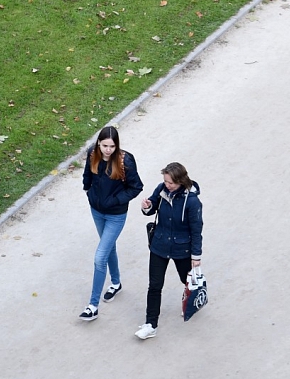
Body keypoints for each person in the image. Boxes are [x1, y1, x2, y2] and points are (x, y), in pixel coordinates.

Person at [80, 126, 143, 321]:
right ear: (98, 143)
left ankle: (93, 305)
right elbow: (87, 177)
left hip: (115, 215)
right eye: (105, 145)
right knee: (108, 248)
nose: (108, 150)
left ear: (117, 146)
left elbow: (136, 187)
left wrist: (114, 200)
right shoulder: (92, 153)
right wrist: (88, 191)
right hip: (97, 211)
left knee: (100, 257)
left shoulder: (126, 161)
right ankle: (116, 283)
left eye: (112, 146)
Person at [136, 162, 203, 339]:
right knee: (155, 285)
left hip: (182, 249)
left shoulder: (193, 202)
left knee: (186, 280)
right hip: (159, 246)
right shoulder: (161, 189)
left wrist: (196, 256)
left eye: (170, 183)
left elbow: (197, 230)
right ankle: (151, 324)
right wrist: (147, 206)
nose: (167, 185)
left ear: (181, 181)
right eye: (165, 181)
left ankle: (189, 299)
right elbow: (151, 209)